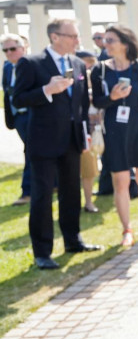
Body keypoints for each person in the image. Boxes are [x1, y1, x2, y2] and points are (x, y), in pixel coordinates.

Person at [11, 17, 101, 270]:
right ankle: (42, 252)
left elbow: (81, 104)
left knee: (71, 193)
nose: (77, 40)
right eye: (72, 36)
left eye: (77, 35)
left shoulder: (77, 64)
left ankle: (73, 240)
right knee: (41, 198)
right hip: (43, 142)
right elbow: (18, 99)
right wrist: (46, 91)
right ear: (55, 37)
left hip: (72, 141)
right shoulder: (31, 63)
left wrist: (85, 134)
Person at [92, 25, 138, 247]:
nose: (106, 44)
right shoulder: (100, 70)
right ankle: (127, 229)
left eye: (111, 40)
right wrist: (112, 97)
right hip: (114, 132)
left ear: (125, 43)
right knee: (121, 181)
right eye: (105, 40)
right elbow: (97, 102)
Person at [3, 33, 32, 205]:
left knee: (31, 151)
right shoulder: (7, 67)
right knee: (31, 150)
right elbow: (7, 93)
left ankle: (27, 191)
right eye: (5, 50)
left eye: (12, 48)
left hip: (33, 115)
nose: (9, 53)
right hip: (19, 117)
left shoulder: (32, 65)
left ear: (23, 47)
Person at [76, 49, 101, 214]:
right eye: (86, 64)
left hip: (94, 132)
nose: (89, 67)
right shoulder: (75, 83)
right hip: (79, 131)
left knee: (90, 171)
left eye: (91, 63)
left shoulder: (98, 81)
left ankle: (88, 201)